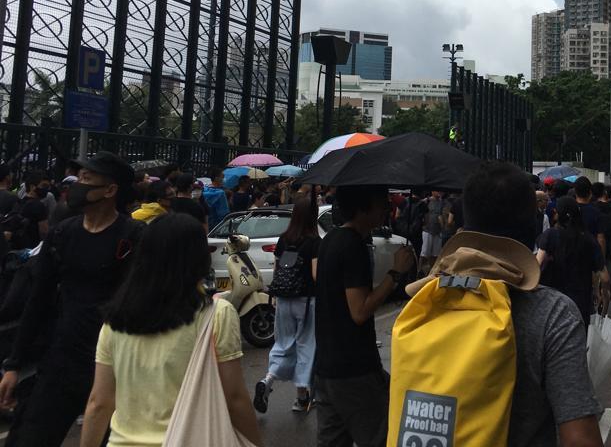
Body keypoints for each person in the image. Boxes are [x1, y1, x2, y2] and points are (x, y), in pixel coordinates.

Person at [435, 161, 603, 446]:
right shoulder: (553, 314)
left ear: (466, 226)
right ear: (530, 229)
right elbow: (579, 436)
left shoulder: (427, 299)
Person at [78, 213, 262, 446]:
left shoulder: (115, 320)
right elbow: (234, 397)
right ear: (198, 258)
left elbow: (99, 402)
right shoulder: (216, 314)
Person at [0, 152, 144, 447]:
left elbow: (143, 303)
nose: (78, 185)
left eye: (87, 179)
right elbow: (38, 300)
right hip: (60, 360)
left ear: (110, 190)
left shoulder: (133, 237)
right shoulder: (62, 234)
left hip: (112, 364)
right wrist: (14, 364)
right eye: (78, 178)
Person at [315, 186, 417, 446]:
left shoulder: (330, 240)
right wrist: (394, 274)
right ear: (363, 207)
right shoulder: (353, 245)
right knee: (382, 436)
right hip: (355, 370)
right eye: (381, 203)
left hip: (327, 368)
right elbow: (359, 311)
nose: (386, 208)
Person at [255, 192, 320, 415]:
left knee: (282, 344)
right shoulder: (314, 242)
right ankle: (301, 397)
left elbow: (276, 270)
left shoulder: (284, 239)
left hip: (283, 299)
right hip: (306, 301)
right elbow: (315, 275)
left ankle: (268, 380)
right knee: (305, 346)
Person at [536, 197, 608, 326]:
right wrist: (601, 293)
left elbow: (537, 265)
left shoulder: (550, 235)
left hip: (553, 302)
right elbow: (605, 277)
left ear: (558, 214)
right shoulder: (588, 239)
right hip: (581, 303)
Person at [419, 189, 449, 274]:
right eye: (437, 190)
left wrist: (443, 225)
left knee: (435, 254)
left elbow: (443, 215)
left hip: (438, 230)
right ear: (432, 191)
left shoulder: (443, 202)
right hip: (427, 229)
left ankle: (432, 271)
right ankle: (419, 270)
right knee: (424, 253)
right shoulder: (426, 201)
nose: (439, 192)